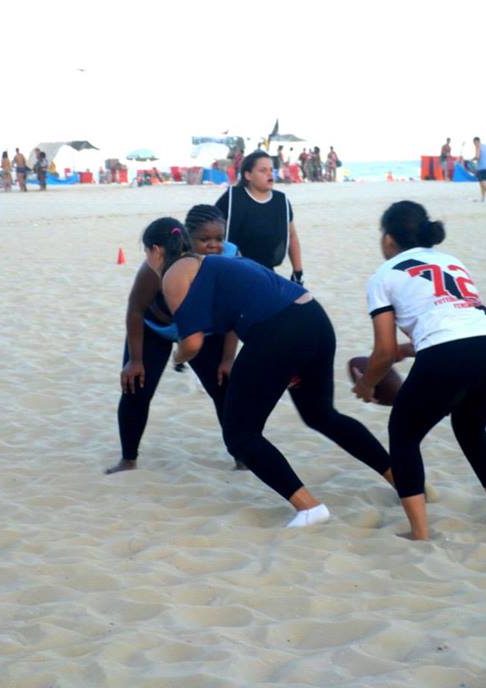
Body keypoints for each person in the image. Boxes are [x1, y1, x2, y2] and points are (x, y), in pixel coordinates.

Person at [143, 216, 393, 527]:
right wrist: (227, 357)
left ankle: (309, 507)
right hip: (313, 318)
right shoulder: (218, 262)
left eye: (147, 256)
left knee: (240, 435)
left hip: (278, 331)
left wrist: (178, 357)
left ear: (155, 251)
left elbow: (191, 343)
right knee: (320, 414)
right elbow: (237, 312)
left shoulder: (174, 275)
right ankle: (403, 479)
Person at [353, 200, 486, 540]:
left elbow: (382, 352)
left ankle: (420, 533)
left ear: (388, 239)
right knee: (472, 429)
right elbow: (461, 320)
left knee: (403, 435)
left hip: (449, 356)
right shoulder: (451, 261)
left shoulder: (383, 275)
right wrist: (408, 350)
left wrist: (367, 385)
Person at [106, 206, 242, 475]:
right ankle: (128, 459)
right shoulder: (157, 265)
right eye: (205, 240)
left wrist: (228, 358)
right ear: (187, 239)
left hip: (204, 330)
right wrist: (135, 360)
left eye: (219, 238)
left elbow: (235, 312)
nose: (214, 246)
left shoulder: (231, 257)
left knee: (224, 389)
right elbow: (135, 309)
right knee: (136, 389)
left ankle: (243, 456)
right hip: (156, 329)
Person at [215, 150, 304, 283]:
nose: (270, 174)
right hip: (233, 271)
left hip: (267, 272)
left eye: (271, 170)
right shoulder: (232, 198)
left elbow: (291, 236)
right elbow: (207, 228)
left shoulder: (281, 201)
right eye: (263, 170)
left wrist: (297, 271)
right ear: (248, 175)